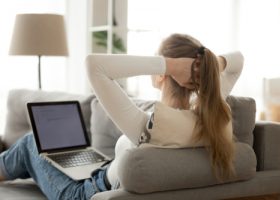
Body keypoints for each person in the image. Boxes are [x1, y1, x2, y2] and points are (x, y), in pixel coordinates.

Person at [0, 33, 243, 200]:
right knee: (42, 157)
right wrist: (204, 65)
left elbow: (93, 65)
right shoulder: (210, 118)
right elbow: (238, 62)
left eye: (159, 62)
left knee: (31, 142)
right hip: (104, 173)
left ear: (162, 74)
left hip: (85, 193)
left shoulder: (149, 127)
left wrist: (170, 65)